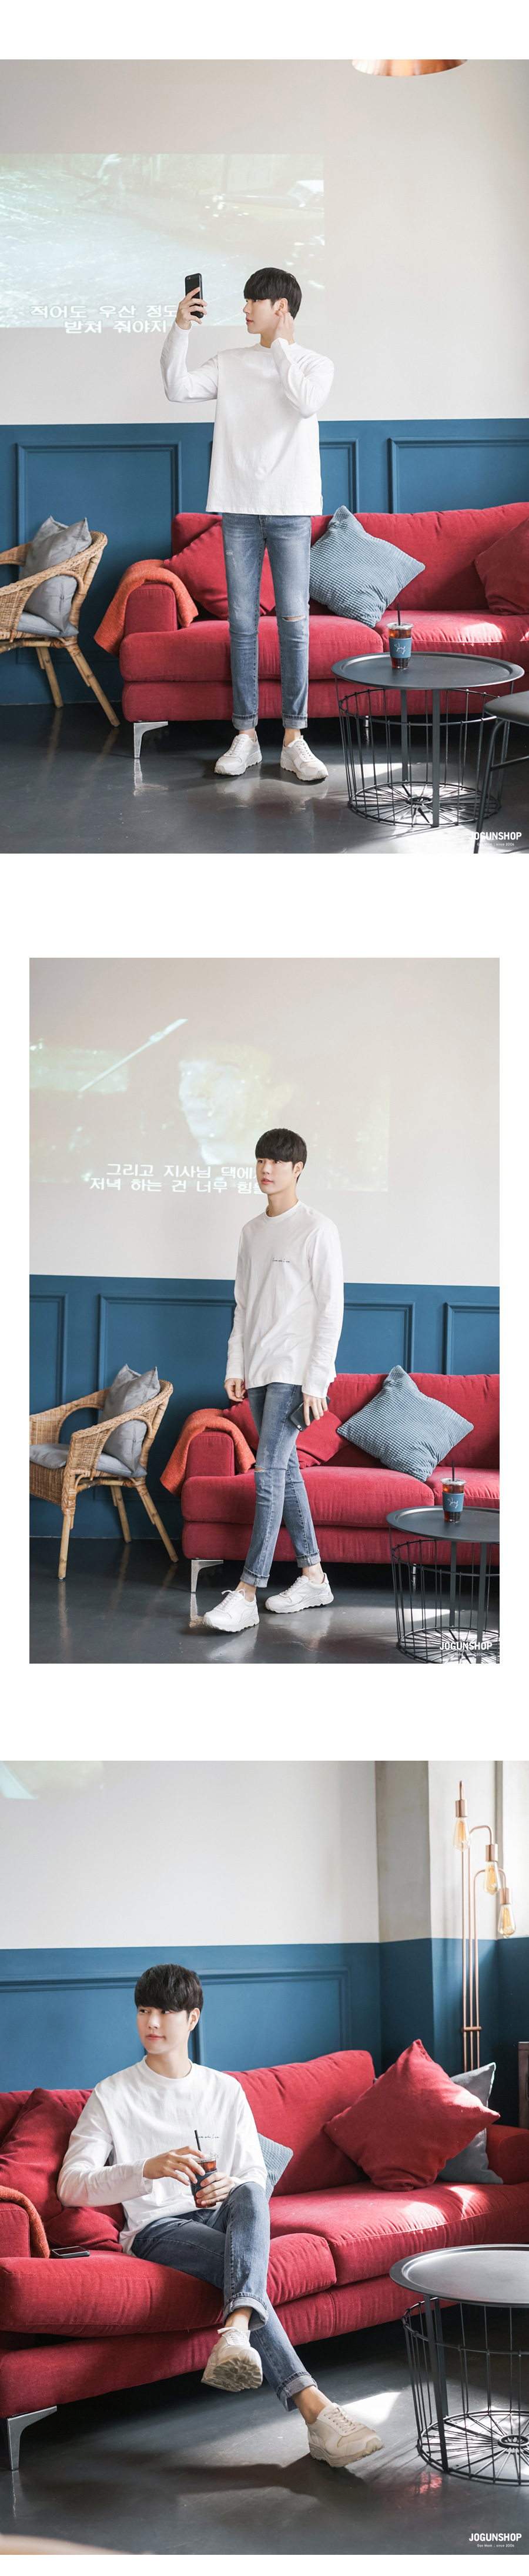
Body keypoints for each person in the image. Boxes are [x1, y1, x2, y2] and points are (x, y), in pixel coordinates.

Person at [57, 1962, 383, 2470]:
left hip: (221, 2213)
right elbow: (71, 2184)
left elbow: (252, 2171)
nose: (152, 2022)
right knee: (243, 2271)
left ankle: (236, 2329)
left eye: (166, 2011)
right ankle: (316, 2409)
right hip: (158, 2228)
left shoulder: (224, 2089)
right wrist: (146, 2169)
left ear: (193, 2018)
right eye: (144, 2010)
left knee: (250, 2192)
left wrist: (229, 2184)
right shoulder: (112, 2093)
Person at [160, 265, 334, 784]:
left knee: (295, 626)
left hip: (290, 507)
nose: (244, 309)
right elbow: (176, 388)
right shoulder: (230, 362)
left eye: (253, 301)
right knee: (241, 626)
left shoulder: (314, 364)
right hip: (237, 507)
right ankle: (246, 736)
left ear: (280, 307)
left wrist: (280, 346)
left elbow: (305, 402)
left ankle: (295, 740)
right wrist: (181, 328)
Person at [202, 1126, 344, 1635]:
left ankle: (247, 1592)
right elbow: (243, 1306)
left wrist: (317, 1381)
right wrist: (235, 1366)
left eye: (278, 1161)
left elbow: (331, 1309)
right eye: (262, 1159)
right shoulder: (250, 1232)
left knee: (267, 1474)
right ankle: (314, 1576)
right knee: (286, 1474)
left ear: (298, 1168)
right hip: (259, 1370)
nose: (267, 1168)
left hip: (294, 1371)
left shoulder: (317, 1228)